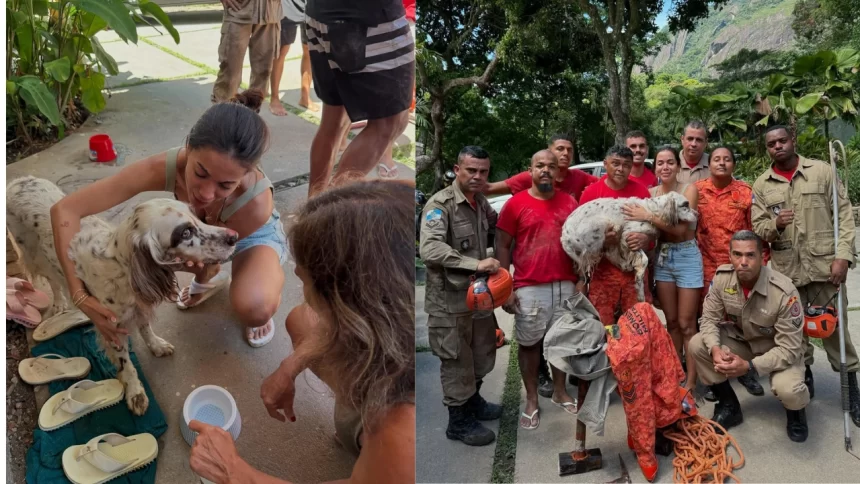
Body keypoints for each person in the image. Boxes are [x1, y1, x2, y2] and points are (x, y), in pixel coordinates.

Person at [188, 180, 415, 483]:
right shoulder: (398, 317)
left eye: (305, 279)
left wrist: (234, 471)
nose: (299, 285)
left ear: (350, 308)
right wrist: (289, 366)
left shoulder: (403, 433)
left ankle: (372, 456)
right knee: (301, 321)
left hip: (397, 454)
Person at [50, 92, 285, 348]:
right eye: (200, 173)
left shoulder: (257, 205)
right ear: (188, 147)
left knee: (255, 306)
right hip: (199, 231)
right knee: (149, 260)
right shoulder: (162, 166)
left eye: (225, 185)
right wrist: (79, 295)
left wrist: (197, 266)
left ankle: (250, 287)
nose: (205, 194)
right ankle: (210, 281)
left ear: (246, 175)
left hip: (248, 234)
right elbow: (65, 210)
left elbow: (217, 251)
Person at [751, 125, 860, 426]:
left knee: (836, 331)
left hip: (827, 270)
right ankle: (803, 386)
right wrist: (776, 224)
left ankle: (852, 391)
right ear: (767, 149)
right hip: (788, 276)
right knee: (795, 336)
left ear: (793, 140)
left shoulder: (822, 171)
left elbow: (844, 215)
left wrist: (843, 257)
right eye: (771, 144)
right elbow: (759, 227)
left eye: (782, 140)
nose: (777, 147)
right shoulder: (762, 185)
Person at [689, 231, 810, 442]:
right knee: (698, 344)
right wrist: (716, 350)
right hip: (744, 341)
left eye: (750, 255)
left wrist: (750, 368)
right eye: (737, 254)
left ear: (762, 256)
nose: (743, 262)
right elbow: (708, 320)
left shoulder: (783, 291)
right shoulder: (722, 279)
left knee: (789, 389)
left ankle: (796, 412)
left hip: (778, 348)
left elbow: (789, 348)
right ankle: (729, 404)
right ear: (730, 255)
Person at [419, 146, 502, 446]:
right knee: (456, 361)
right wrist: (476, 264)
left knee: (481, 355)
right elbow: (430, 249)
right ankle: (458, 422)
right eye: (472, 170)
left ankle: (473, 402)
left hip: (478, 298)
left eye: (483, 171)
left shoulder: (479, 202)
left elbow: (496, 227)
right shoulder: (440, 205)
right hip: (449, 303)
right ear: (457, 170)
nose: (478, 176)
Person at [495, 150, 580, 430]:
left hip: (566, 285)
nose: (546, 170)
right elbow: (503, 246)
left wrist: (581, 279)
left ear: (558, 171)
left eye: (551, 166)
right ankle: (532, 399)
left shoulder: (569, 202)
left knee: (562, 343)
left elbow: (579, 245)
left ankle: (560, 391)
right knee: (530, 345)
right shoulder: (515, 204)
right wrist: (505, 287)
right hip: (529, 287)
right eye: (540, 166)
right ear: (530, 170)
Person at [304, 0, 414, 196]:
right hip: (369, 19)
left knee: (333, 119)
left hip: (320, 12)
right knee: (389, 123)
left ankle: (312, 208)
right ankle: (327, 211)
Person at [621, 146, 700, 391]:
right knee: (673, 322)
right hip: (663, 258)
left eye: (670, 162)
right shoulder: (650, 193)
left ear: (678, 165)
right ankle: (674, 374)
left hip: (687, 256)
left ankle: (693, 382)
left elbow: (681, 230)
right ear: (654, 168)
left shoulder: (688, 190)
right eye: (660, 163)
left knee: (688, 324)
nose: (665, 167)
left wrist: (648, 215)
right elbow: (649, 232)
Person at [695, 146, 768, 397]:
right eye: (717, 159)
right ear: (709, 163)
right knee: (710, 320)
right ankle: (716, 379)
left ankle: (746, 371)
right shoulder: (697, 191)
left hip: (740, 267)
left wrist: (762, 264)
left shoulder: (745, 192)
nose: (722, 163)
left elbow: (756, 232)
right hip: (707, 266)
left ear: (733, 165)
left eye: (727, 159)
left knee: (742, 321)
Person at [577, 146, 653, 327]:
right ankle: (606, 356)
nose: (621, 169)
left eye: (626, 165)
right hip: (602, 275)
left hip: (635, 275)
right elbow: (580, 239)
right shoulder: (591, 194)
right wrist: (602, 241)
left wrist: (647, 239)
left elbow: (652, 230)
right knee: (603, 329)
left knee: (637, 329)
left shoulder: (641, 192)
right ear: (605, 164)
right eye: (615, 164)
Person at [484, 134, 598, 202]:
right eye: (560, 149)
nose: (566, 153)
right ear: (549, 152)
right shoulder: (531, 176)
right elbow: (488, 189)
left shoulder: (579, 177)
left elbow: (607, 184)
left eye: (569, 150)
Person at [212, 0, 282, 103]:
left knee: (263, 71)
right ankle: (223, 114)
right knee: (230, 72)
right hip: (239, 10)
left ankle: (252, 114)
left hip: (270, 11)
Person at [268, 0, 318, 116]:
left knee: (309, 49)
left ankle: (305, 97)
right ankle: (274, 98)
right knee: (281, 51)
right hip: (288, 6)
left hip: (313, 6)